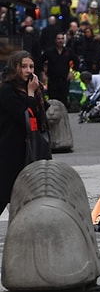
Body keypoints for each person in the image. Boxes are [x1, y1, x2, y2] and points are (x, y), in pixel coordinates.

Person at [0, 51, 49, 215]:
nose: (29, 70)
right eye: (24, 66)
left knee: (25, 197)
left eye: (31, 66)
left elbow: (42, 113)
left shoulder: (33, 89)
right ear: (15, 68)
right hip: (10, 150)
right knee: (5, 193)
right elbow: (24, 116)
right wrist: (30, 94)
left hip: (30, 149)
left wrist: (36, 93)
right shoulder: (7, 90)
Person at [41, 32, 78, 108]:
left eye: (62, 39)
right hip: (52, 79)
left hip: (64, 79)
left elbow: (77, 61)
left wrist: (72, 72)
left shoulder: (68, 51)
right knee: (52, 99)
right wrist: (43, 74)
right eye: (58, 39)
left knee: (63, 99)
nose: (60, 40)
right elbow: (39, 62)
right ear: (55, 40)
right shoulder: (49, 51)